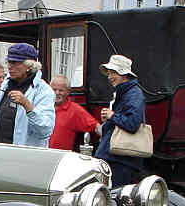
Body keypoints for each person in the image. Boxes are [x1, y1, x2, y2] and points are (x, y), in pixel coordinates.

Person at [0, 43, 55, 146]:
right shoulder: (4, 84)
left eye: (15, 63)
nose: (9, 66)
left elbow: (45, 130)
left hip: (25, 157)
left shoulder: (43, 91)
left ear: (29, 66)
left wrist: (27, 105)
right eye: (8, 62)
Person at [96, 55, 145, 187]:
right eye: (109, 73)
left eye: (114, 73)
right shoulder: (124, 92)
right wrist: (109, 118)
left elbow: (133, 123)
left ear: (124, 74)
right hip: (116, 156)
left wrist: (112, 116)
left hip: (121, 159)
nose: (110, 77)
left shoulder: (133, 94)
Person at [49, 74, 101, 150]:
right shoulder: (42, 106)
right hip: (39, 155)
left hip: (62, 158)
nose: (57, 93)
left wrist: (109, 141)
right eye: (54, 89)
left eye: (61, 90)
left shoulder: (75, 110)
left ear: (68, 92)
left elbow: (96, 127)